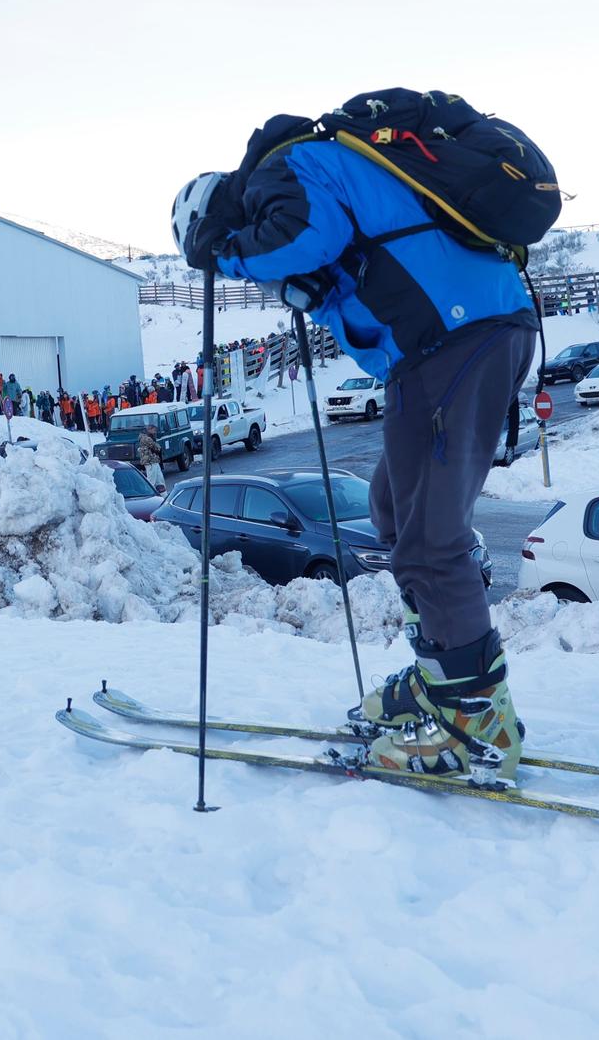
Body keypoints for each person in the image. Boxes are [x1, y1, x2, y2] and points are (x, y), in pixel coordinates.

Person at [173, 96, 543, 783]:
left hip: (458, 340)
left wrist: (225, 254)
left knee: (430, 538)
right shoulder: (319, 167)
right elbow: (347, 252)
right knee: (394, 512)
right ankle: (442, 675)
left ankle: (476, 721)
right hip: (459, 340)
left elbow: (302, 235)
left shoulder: (284, 168)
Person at [134, 413, 166, 491]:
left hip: (154, 461)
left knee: (160, 480)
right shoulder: (146, 438)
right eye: (154, 430)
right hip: (150, 461)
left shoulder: (146, 437)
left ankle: (163, 495)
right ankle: (148, 494)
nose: (155, 432)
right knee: (151, 481)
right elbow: (156, 447)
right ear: (149, 429)